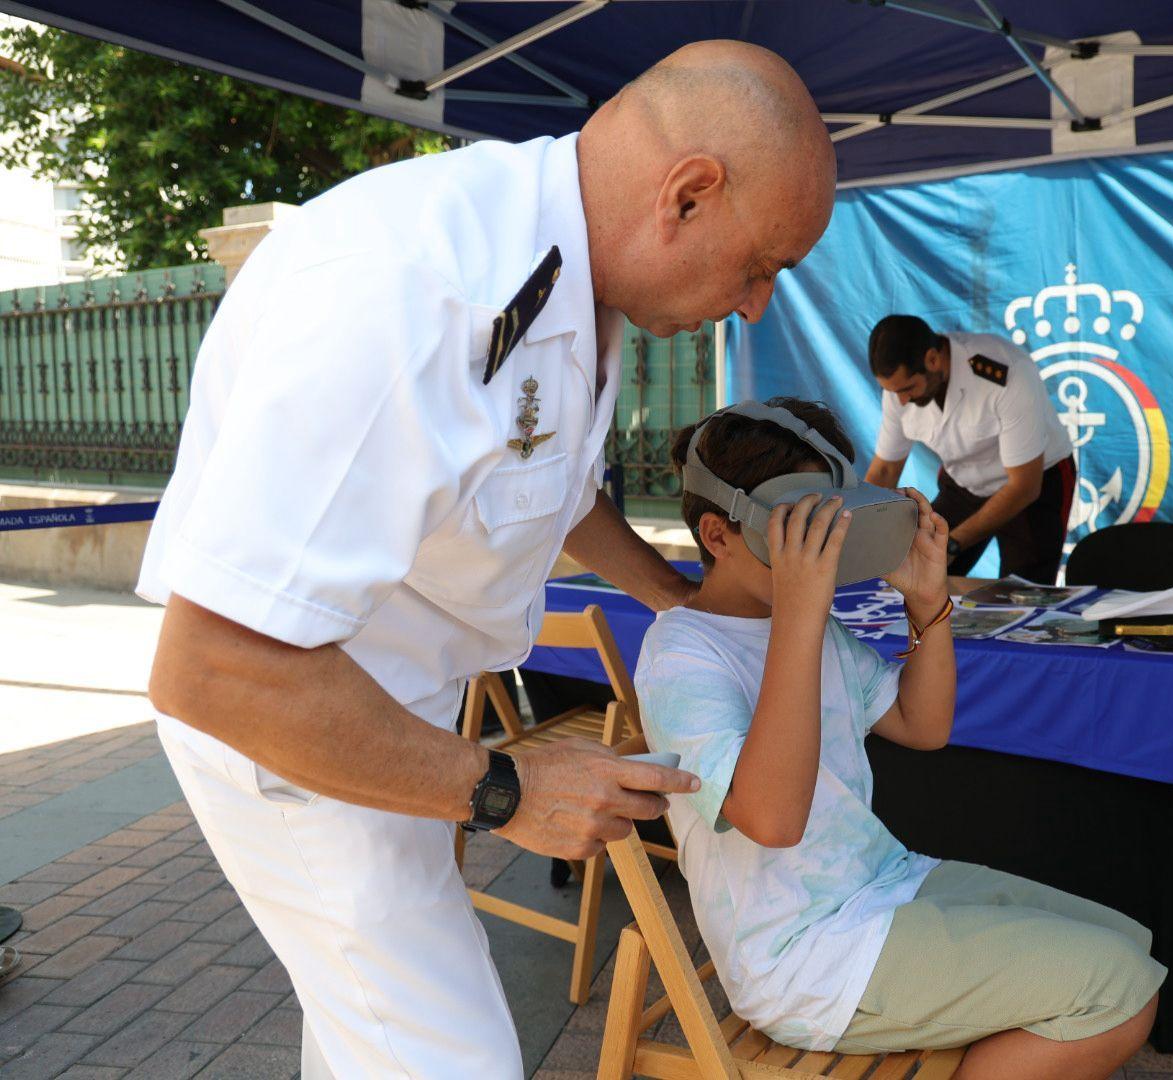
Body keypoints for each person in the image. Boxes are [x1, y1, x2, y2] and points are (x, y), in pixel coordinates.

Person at [139, 41, 836, 1077]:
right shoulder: (418, 295)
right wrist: (507, 789)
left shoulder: (568, 280)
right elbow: (214, 668)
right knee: (450, 1058)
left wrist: (669, 593)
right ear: (688, 195)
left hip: (393, 713)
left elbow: (537, 479)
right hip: (296, 730)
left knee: (366, 1042)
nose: (755, 305)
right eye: (761, 264)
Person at [637, 397, 1164, 1080]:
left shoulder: (810, 628)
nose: (821, 551)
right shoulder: (683, 654)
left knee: (1129, 945)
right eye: (795, 530)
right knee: (1117, 992)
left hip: (882, 882)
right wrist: (802, 609)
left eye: (831, 524)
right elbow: (770, 818)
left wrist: (928, 602)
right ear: (718, 534)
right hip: (807, 956)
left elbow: (924, 726)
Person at [864, 314, 1076, 583]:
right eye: (893, 392)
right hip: (965, 482)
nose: (902, 400)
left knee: (1023, 597)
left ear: (932, 359)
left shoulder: (1007, 372)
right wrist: (860, 526)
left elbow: (1024, 486)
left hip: (1035, 483)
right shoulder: (899, 390)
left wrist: (953, 543)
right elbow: (884, 470)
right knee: (917, 575)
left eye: (908, 389)